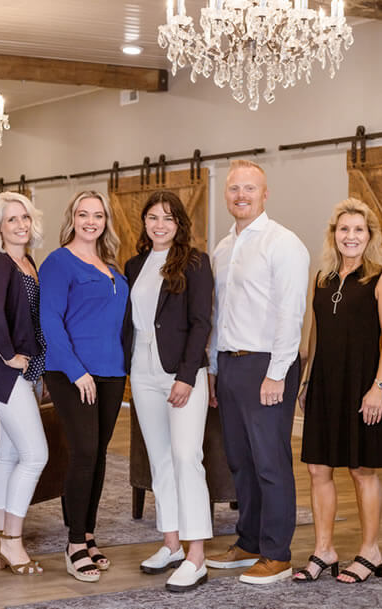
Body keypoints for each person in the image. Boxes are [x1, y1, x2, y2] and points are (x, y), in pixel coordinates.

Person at [205, 160, 310, 585]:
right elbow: (217, 316)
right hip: (230, 364)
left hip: (268, 365)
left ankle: (277, 553)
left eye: (250, 188)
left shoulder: (283, 243)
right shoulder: (223, 248)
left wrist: (278, 372)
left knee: (270, 462)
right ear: (226, 195)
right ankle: (247, 541)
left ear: (265, 194)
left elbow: (291, 313)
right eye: (234, 189)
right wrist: (213, 368)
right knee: (240, 460)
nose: (241, 195)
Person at [293, 198, 382, 584]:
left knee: (361, 470)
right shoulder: (323, 278)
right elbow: (316, 332)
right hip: (324, 383)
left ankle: (370, 552)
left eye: (358, 230)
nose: (350, 236)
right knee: (317, 468)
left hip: (363, 386)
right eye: (344, 229)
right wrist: (307, 380)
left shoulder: (381, 278)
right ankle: (324, 551)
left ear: (369, 236)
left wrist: (378, 388)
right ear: (333, 235)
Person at [123, 191, 213, 593]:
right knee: (159, 459)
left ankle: (197, 556)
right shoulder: (135, 264)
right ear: (144, 222)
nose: (160, 225)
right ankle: (171, 544)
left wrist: (187, 376)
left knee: (185, 456)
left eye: (168, 219)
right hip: (141, 371)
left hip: (180, 372)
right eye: (153, 218)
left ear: (180, 224)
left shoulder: (195, 263)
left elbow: (200, 322)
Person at [39, 190, 129, 584]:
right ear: (72, 217)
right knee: (83, 453)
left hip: (111, 372)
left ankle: (88, 534)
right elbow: (49, 321)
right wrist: (77, 372)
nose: (90, 221)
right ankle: (75, 543)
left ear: (106, 220)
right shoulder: (58, 263)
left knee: (98, 455)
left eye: (97, 215)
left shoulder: (111, 266)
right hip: (72, 372)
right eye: (83, 214)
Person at [0, 191, 48, 576]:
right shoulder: (0, 262)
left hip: (27, 373)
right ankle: (12, 541)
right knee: (36, 455)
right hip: (9, 375)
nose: (20, 224)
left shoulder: (27, 262)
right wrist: (8, 354)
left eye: (24, 217)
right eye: (11, 220)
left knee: (7, 456)